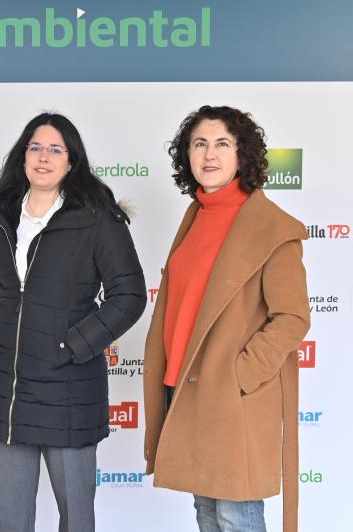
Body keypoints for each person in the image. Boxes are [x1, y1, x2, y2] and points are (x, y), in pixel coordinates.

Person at [0, 112, 147, 532]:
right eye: (35, 147)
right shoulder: (0, 214)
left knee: (76, 519)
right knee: (10, 521)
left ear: (71, 161)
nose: (43, 157)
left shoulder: (98, 218)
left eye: (55, 149)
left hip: (69, 393)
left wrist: (71, 347)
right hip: (4, 390)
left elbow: (130, 296)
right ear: (23, 156)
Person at [143, 105, 310, 532]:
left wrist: (239, 374)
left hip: (232, 397)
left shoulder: (271, 227)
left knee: (236, 516)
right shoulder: (197, 215)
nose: (209, 153)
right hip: (186, 390)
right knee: (206, 513)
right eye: (199, 144)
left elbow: (292, 317)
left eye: (222, 143)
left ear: (243, 154)